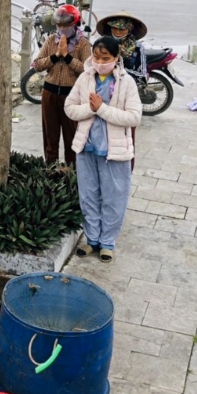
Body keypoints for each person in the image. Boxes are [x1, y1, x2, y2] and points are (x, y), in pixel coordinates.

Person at [65, 36, 142, 263]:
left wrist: (103, 109)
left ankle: (108, 242)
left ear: (116, 58)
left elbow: (134, 117)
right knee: (88, 195)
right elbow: (69, 108)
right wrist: (91, 108)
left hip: (115, 152)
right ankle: (92, 240)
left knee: (114, 197)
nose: (99, 62)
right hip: (86, 148)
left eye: (105, 58)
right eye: (96, 57)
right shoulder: (84, 78)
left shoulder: (126, 82)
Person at [31, 4, 91, 165]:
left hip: (71, 96)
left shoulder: (83, 44)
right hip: (49, 92)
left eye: (66, 25)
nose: (62, 29)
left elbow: (87, 70)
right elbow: (37, 65)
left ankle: (71, 171)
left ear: (75, 24)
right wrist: (57, 55)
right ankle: (50, 168)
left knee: (71, 135)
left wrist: (68, 57)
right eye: (59, 25)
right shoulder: (51, 40)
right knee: (50, 135)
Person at [96, 12, 148, 172]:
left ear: (130, 30)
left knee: (126, 138)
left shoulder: (138, 49)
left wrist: (121, 73)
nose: (118, 32)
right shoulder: (102, 45)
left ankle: (125, 171)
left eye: (122, 29)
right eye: (115, 29)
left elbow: (143, 74)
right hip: (103, 97)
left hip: (126, 99)